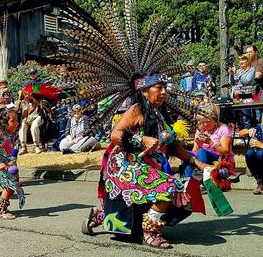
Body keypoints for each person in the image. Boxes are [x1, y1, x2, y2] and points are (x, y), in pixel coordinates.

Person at [84, 75, 208, 249]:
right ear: (144, 91)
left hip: (144, 167)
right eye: (158, 88)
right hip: (125, 165)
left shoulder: (161, 116)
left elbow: (176, 149)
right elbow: (115, 134)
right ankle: (150, 232)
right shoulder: (136, 109)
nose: (164, 92)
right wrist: (142, 140)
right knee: (169, 187)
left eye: (165, 88)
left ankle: (100, 216)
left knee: (175, 188)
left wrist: (201, 164)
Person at [179, 102, 235, 181]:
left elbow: (225, 152)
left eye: (208, 121)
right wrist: (198, 145)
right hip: (203, 160)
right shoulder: (201, 130)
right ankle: (186, 180)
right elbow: (194, 150)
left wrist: (210, 143)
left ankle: (200, 179)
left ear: (214, 119)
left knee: (202, 151)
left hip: (220, 159)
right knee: (185, 154)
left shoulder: (223, 129)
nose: (205, 124)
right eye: (202, 122)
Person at [239, 125, 263, 194]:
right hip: (258, 150)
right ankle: (260, 181)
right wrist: (248, 131)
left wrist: (261, 145)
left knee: (261, 154)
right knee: (250, 154)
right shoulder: (259, 125)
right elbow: (240, 133)